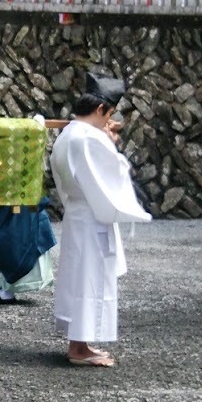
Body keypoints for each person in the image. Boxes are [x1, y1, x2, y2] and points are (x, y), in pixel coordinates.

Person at [49, 73, 152, 367]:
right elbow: (114, 172)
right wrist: (111, 144)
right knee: (90, 278)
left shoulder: (68, 134)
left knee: (79, 277)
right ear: (101, 110)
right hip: (91, 216)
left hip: (78, 213)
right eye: (109, 114)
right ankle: (79, 349)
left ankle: (79, 342)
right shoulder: (89, 138)